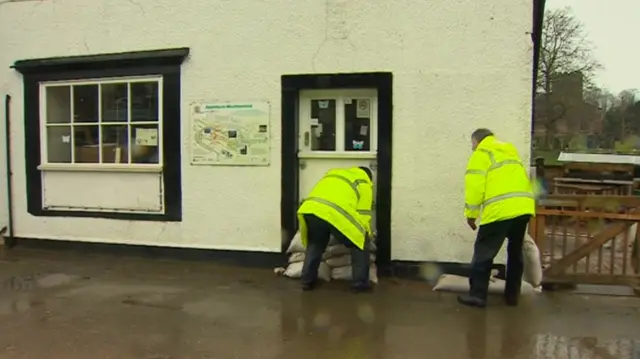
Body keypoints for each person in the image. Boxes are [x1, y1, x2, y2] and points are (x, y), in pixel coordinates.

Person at [458, 129, 536, 308]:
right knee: (515, 252)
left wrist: (471, 215)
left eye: (472, 144)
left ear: (477, 141)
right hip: (523, 208)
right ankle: (512, 296)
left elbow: (475, 187)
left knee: (484, 253)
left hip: (500, 210)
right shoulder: (510, 151)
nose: (472, 148)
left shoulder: (481, 154)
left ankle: (477, 296)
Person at [297, 166, 374, 293]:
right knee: (360, 244)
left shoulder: (335, 174)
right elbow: (363, 214)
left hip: (310, 209)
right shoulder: (363, 182)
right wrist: (366, 235)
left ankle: (306, 281)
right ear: (369, 177)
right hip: (335, 214)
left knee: (315, 244)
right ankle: (360, 284)